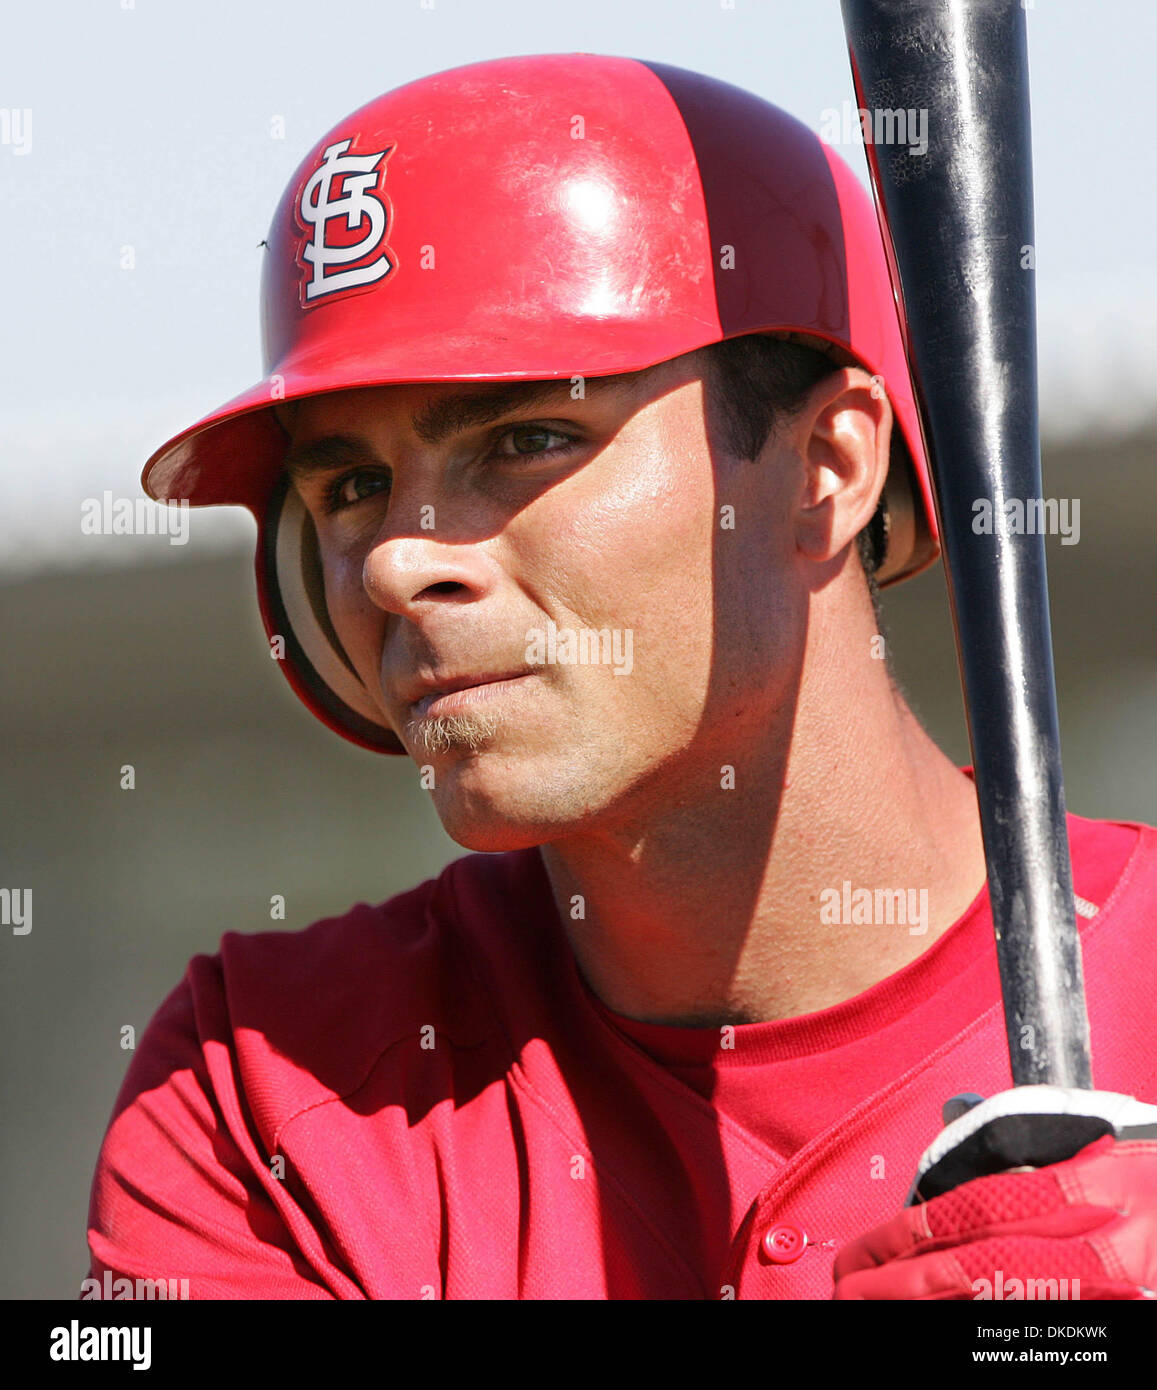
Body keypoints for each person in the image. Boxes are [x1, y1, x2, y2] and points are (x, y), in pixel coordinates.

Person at [85, 53, 1157, 1301]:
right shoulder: (267, 1088)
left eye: (527, 438)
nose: (394, 564)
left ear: (826, 466)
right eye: (353, 486)